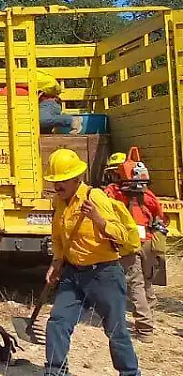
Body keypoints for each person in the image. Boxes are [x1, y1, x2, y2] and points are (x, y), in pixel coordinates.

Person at [43, 148, 140, 376]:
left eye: (63, 181)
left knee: (116, 330)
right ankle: (55, 372)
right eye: (55, 181)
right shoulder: (59, 202)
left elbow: (121, 234)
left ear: (77, 178)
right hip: (73, 273)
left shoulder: (94, 197)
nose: (58, 186)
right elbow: (57, 235)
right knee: (57, 321)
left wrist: (98, 219)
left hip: (104, 274)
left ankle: (130, 373)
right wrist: (56, 261)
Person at [103, 152, 166, 340]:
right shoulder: (148, 195)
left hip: (130, 243)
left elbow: (104, 206)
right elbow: (160, 216)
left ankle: (145, 328)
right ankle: (149, 315)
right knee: (146, 281)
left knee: (135, 284)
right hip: (149, 243)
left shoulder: (114, 192)